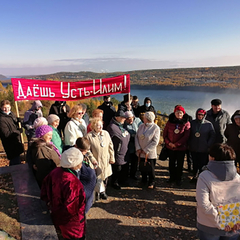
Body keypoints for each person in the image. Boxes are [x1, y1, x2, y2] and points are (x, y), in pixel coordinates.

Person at [196, 143, 240, 240]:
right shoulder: (237, 177)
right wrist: (234, 220)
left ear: (212, 158)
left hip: (208, 225)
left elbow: (204, 204)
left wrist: (220, 222)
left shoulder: (204, 176)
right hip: (233, 225)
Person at [41, 147, 86, 240]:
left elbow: (45, 188)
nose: (81, 165)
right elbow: (72, 209)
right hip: (72, 224)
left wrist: (50, 204)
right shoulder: (73, 183)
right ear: (73, 164)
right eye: (79, 163)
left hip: (56, 214)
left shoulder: (55, 172)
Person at [86, 118, 115, 199]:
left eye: (101, 125)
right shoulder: (89, 136)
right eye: (98, 125)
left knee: (105, 177)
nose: (100, 127)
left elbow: (110, 145)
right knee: (98, 177)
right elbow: (87, 150)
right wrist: (92, 159)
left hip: (106, 160)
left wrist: (112, 157)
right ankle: (98, 193)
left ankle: (103, 191)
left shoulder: (106, 133)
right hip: (96, 160)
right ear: (93, 126)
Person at [163, 105, 190, 186]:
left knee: (179, 164)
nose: (179, 114)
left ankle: (178, 179)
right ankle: (171, 178)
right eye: (177, 112)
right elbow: (165, 134)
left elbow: (186, 136)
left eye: (180, 112)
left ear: (183, 113)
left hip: (181, 148)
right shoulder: (170, 121)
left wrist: (177, 144)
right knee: (171, 163)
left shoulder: (186, 123)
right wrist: (169, 143)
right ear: (174, 113)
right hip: (170, 147)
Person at [188, 108, 215, 182]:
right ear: (196, 115)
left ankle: (202, 178)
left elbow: (212, 135)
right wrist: (189, 143)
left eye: (202, 115)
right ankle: (195, 176)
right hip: (193, 147)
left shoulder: (208, 124)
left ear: (204, 115)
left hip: (204, 148)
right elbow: (188, 134)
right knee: (195, 163)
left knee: (203, 164)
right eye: (199, 114)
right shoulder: (192, 123)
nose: (200, 116)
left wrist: (208, 144)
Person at [135, 112, 160, 188]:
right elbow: (136, 137)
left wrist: (146, 150)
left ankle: (151, 182)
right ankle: (143, 180)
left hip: (149, 153)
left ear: (148, 119)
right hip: (140, 152)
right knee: (142, 167)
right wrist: (138, 148)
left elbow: (155, 141)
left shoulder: (155, 128)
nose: (143, 118)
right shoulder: (141, 126)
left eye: (144, 117)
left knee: (150, 168)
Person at [107, 110, 130, 190]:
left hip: (124, 150)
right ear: (117, 118)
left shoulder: (122, 125)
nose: (124, 119)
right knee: (117, 168)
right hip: (117, 151)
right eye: (123, 118)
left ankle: (122, 180)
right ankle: (114, 182)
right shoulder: (112, 127)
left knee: (123, 167)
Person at [75, 137, 97, 213]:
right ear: (76, 147)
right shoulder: (75, 160)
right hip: (84, 191)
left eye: (86, 151)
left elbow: (88, 154)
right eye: (82, 151)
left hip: (89, 190)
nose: (84, 153)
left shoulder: (85, 153)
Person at [0, 100, 24, 165]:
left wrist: (18, 121)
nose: (6, 109)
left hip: (16, 141)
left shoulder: (11, 114)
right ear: (1, 107)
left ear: (10, 107)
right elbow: (6, 134)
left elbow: (14, 125)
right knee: (15, 161)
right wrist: (18, 132)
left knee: (17, 160)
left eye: (8, 107)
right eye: (4, 107)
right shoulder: (1, 119)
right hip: (10, 144)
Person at [124, 111, 142, 180]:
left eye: (131, 118)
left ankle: (133, 175)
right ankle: (126, 175)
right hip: (128, 145)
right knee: (127, 161)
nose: (130, 120)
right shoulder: (124, 124)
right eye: (128, 119)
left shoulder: (137, 121)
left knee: (135, 161)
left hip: (136, 144)